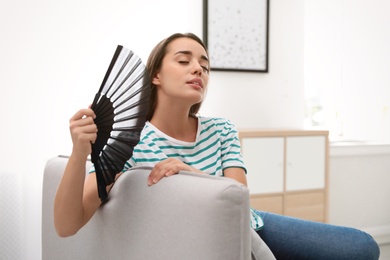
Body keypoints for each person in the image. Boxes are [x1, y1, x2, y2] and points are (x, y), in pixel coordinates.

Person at [54, 33, 380, 259]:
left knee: (363, 247)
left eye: (205, 65)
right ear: (155, 75)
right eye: (184, 61)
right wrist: (80, 152)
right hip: (199, 241)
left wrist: (192, 175)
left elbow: (238, 196)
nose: (198, 68)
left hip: (249, 224)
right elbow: (66, 225)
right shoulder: (130, 144)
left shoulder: (221, 129)